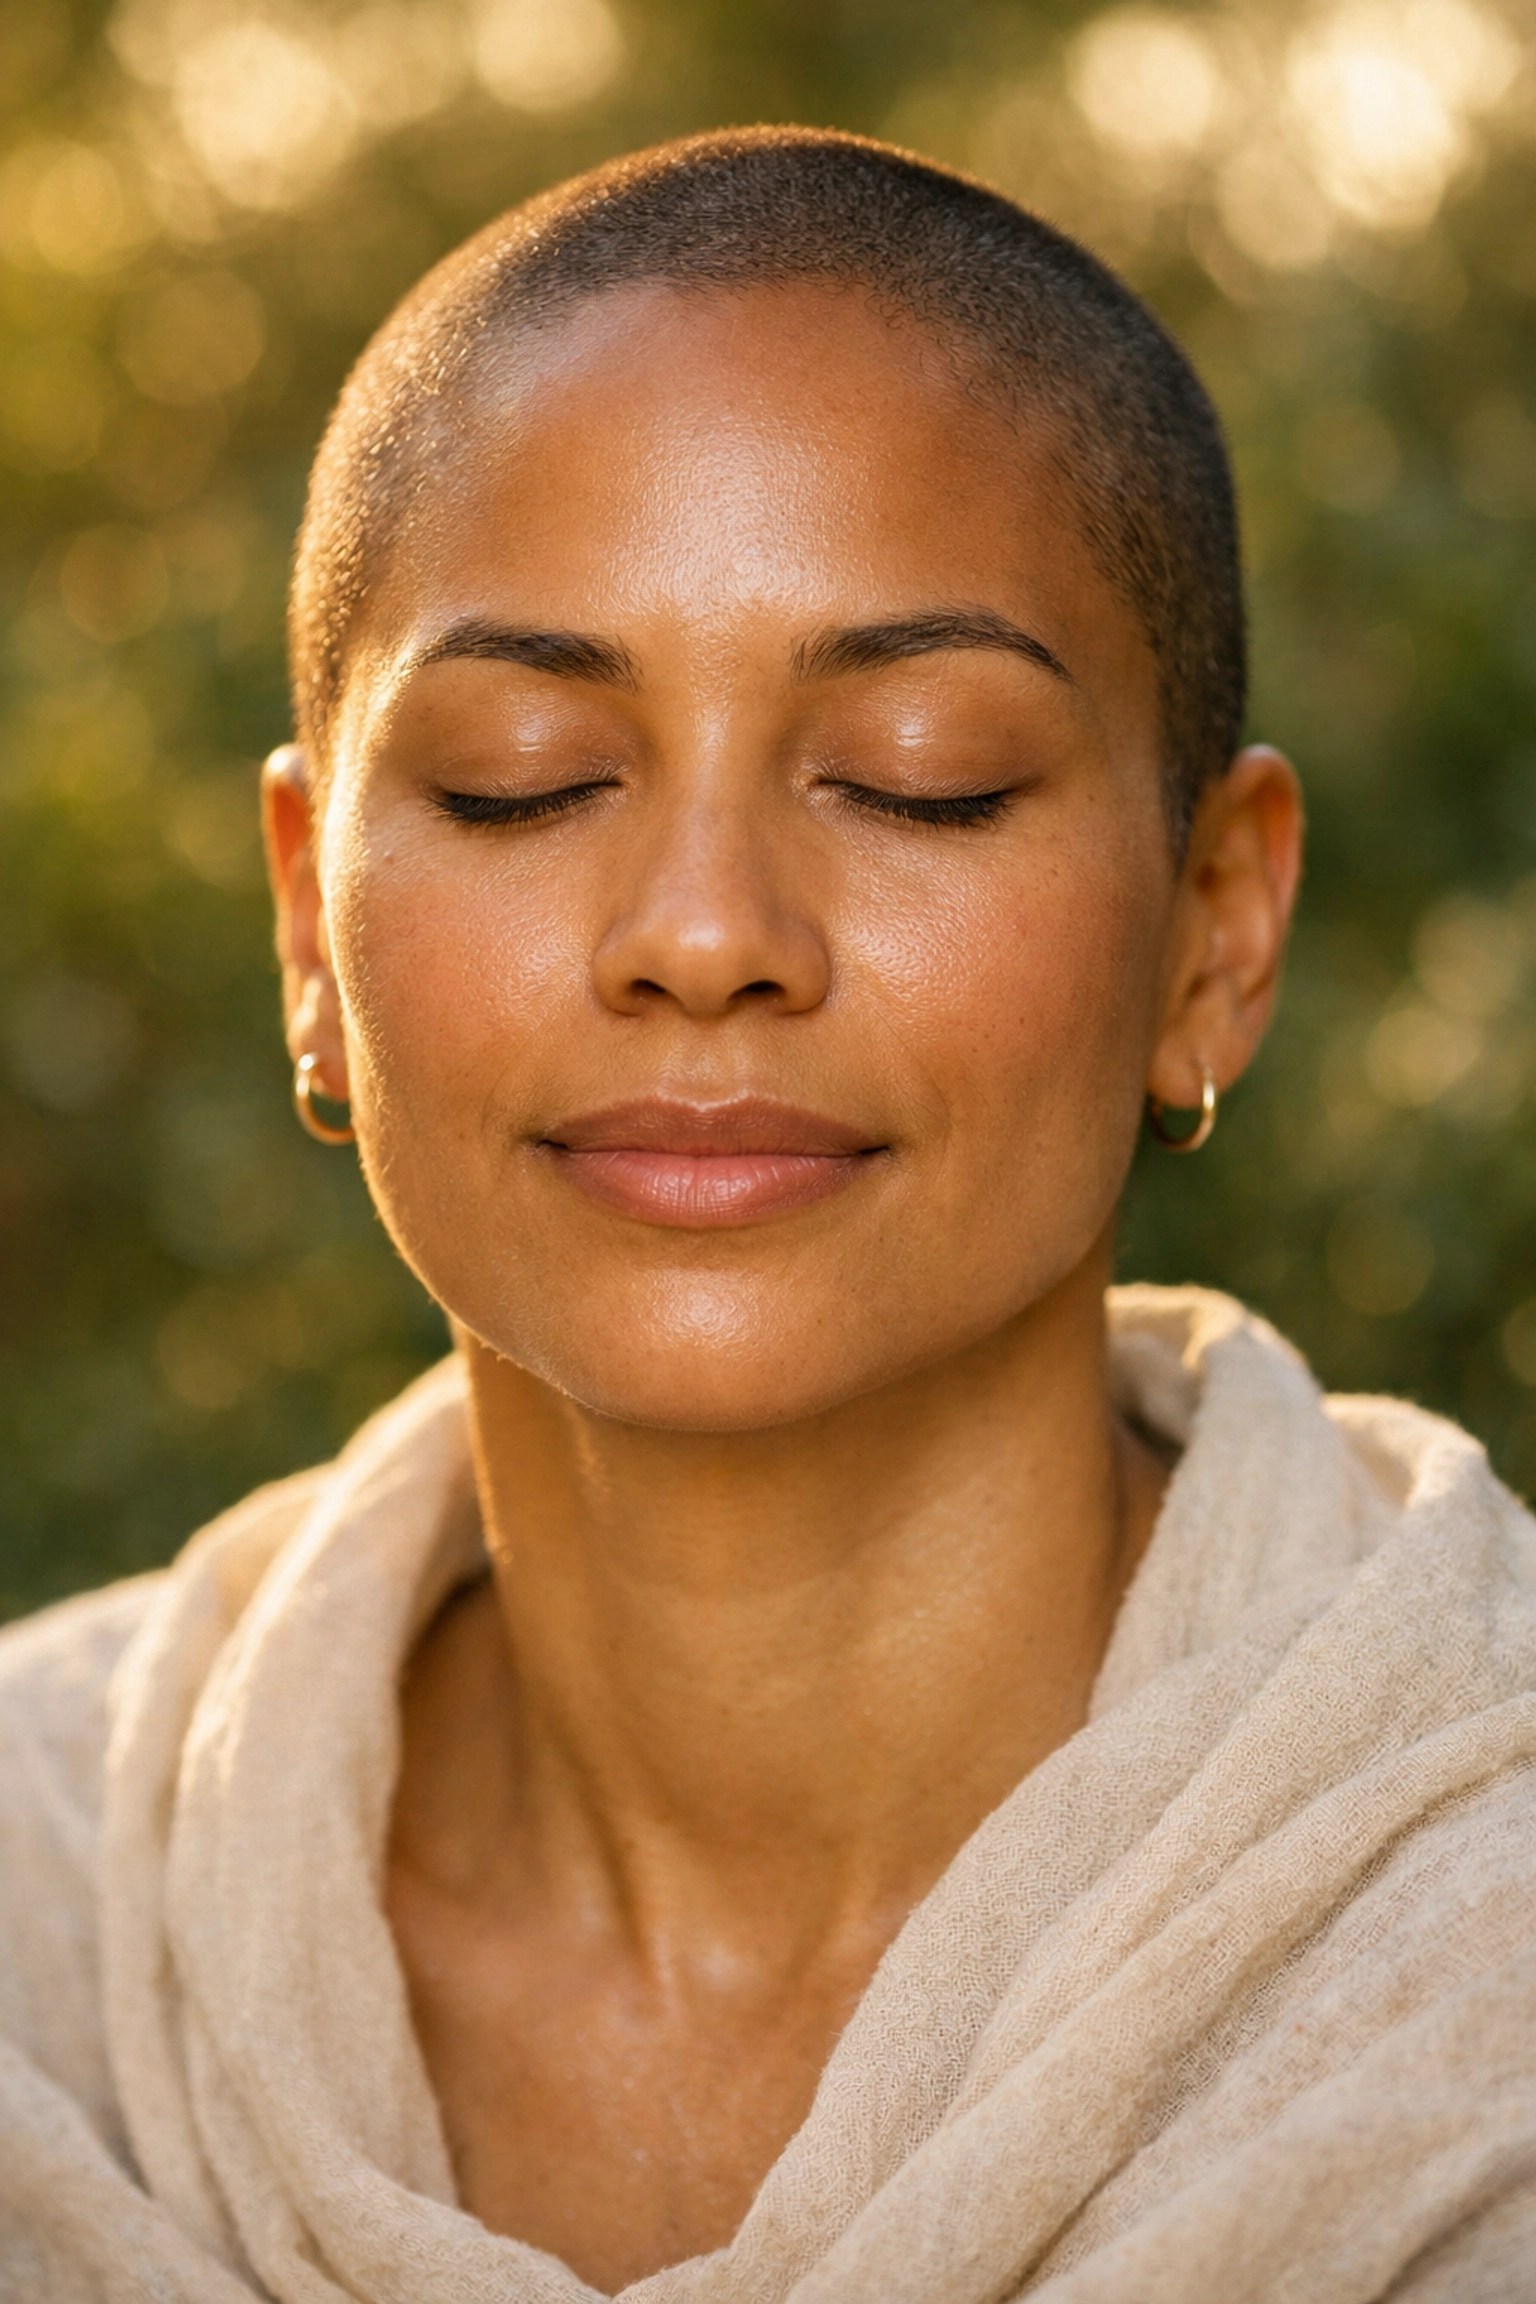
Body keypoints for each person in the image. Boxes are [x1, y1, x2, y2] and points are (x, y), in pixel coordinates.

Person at [1, 127, 1533, 2304]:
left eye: (922, 771)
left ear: (1217, 924)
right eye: (523, 773)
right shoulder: (35, 1938)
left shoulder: (1486, 1961)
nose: (706, 934)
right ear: (305, 933)